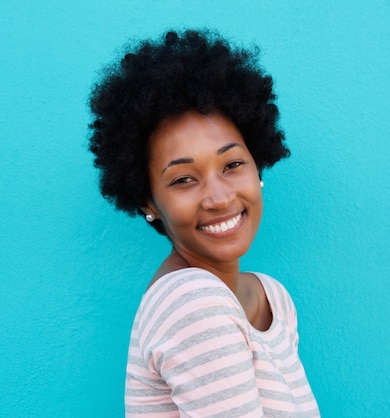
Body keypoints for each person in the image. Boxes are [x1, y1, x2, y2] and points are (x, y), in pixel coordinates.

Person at [88, 29, 320, 417]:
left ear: (257, 165)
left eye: (232, 165)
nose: (220, 198)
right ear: (149, 202)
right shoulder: (192, 302)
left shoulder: (271, 298)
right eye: (183, 179)